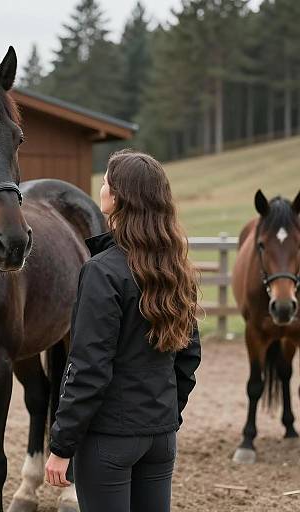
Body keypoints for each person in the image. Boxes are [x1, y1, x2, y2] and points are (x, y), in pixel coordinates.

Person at [44, 149, 202, 512]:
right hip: (160, 439)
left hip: (109, 441)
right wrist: (165, 415)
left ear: (117, 198)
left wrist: (60, 446)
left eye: (105, 182)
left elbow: (88, 367)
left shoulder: (101, 272)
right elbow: (189, 354)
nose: (101, 187)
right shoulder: (176, 269)